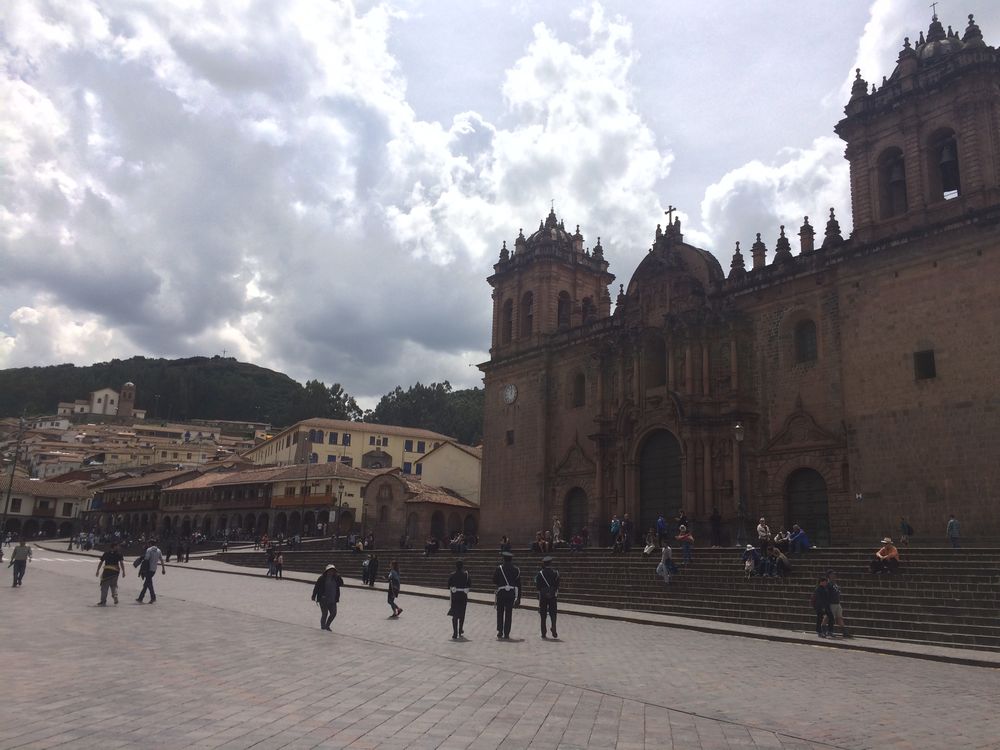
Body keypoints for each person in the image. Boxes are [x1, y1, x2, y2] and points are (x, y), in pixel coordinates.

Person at [492, 550, 521, 639]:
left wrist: (501, 583)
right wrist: (519, 597)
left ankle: (500, 631)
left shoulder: (499, 568)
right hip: (511, 594)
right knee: (509, 613)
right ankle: (507, 633)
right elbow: (519, 584)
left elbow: (494, 580)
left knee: (500, 612)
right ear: (511, 559)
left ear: (503, 559)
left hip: (501, 592)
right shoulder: (516, 569)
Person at [311, 564, 344, 630]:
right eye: (330, 570)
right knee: (325, 614)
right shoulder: (322, 578)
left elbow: (341, 584)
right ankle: (323, 627)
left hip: (333, 599)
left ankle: (327, 625)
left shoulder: (336, 578)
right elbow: (316, 587)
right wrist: (314, 595)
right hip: (323, 599)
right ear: (326, 571)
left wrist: (339, 576)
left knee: (333, 613)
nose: (331, 572)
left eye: (333, 571)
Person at [535, 555, 560, 639]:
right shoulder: (555, 573)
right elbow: (557, 585)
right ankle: (553, 626)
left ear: (544, 564)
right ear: (550, 563)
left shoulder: (540, 573)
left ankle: (543, 632)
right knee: (553, 613)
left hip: (543, 596)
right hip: (552, 595)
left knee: (543, 614)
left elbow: (538, 586)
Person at [447, 559, 471, 639]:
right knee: (462, 614)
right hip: (463, 596)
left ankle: (455, 632)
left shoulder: (452, 574)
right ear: (462, 566)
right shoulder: (466, 575)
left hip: (455, 596)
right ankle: (460, 630)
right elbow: (469, 585)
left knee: (455, 615)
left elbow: (448, 586)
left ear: (456, 566)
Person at [136, 539, 166, 603]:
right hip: (154, 569)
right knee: (148, 583)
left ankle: (150, 598)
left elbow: (146, 559)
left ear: (150, 544)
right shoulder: (159, 550)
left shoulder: (149, 550)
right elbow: (162, 560)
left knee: (146, 584)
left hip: (148, 569)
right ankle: (142, 598)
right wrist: (163, 569)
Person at [825, 570, 851, 638]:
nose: (834, 576)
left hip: (837, 603)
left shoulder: (835, 584)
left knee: (839, 617)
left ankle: (844, 632)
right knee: (829, 618)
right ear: (829, 576)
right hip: (831, 603)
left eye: (834, 574)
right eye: (832, 574)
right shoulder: (828, 584)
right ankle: (824, 630)